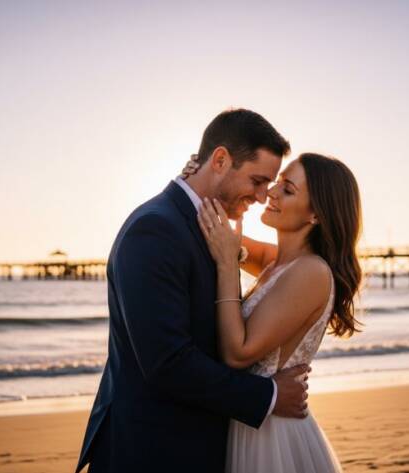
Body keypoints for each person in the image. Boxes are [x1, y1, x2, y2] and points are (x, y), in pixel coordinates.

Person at [75, 109, 312, 473]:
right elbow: (167, 363)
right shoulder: (155, 230)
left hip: (197, 444)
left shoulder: (211, 226)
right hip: (153, 451)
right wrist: (269, 396)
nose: (265, 196)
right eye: (258, 181)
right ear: (220, 160)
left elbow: (279, 263)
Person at [192, 152, 362, 472]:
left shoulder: (311, 272)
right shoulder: (278, 262)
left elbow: (238, 353)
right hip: (251, 419)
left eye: (287, 188)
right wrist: (205, 174)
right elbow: (229, 238)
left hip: (270, 435)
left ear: (316, 215)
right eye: (277, 181)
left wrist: (229, 264)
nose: (270, 191)